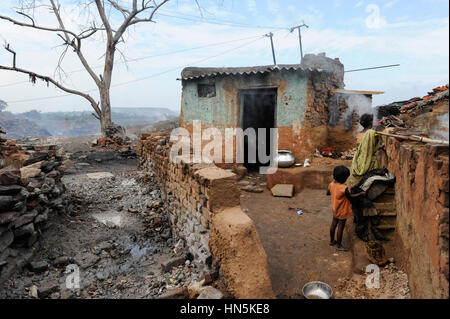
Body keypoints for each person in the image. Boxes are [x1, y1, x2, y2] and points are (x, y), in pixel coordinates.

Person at [327, 165, 366, 251]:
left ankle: (332, 240)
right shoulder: (344, 188)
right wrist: (360, 194)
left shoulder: (331, 184)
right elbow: (351, 197)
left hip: (335, 208)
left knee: (333, 224)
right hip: (342, 210)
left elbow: (328, 193)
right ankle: (339, 245)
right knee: (341, 226)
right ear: (343, 179)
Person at [351, 113, 382, 186]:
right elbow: (373, 148)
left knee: (359, 183)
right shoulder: (372, 134)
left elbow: (363, 148)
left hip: (359, 160)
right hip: (369, 161)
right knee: (369, 182)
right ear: (371, 122)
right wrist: (381, 146)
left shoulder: (358, 134)